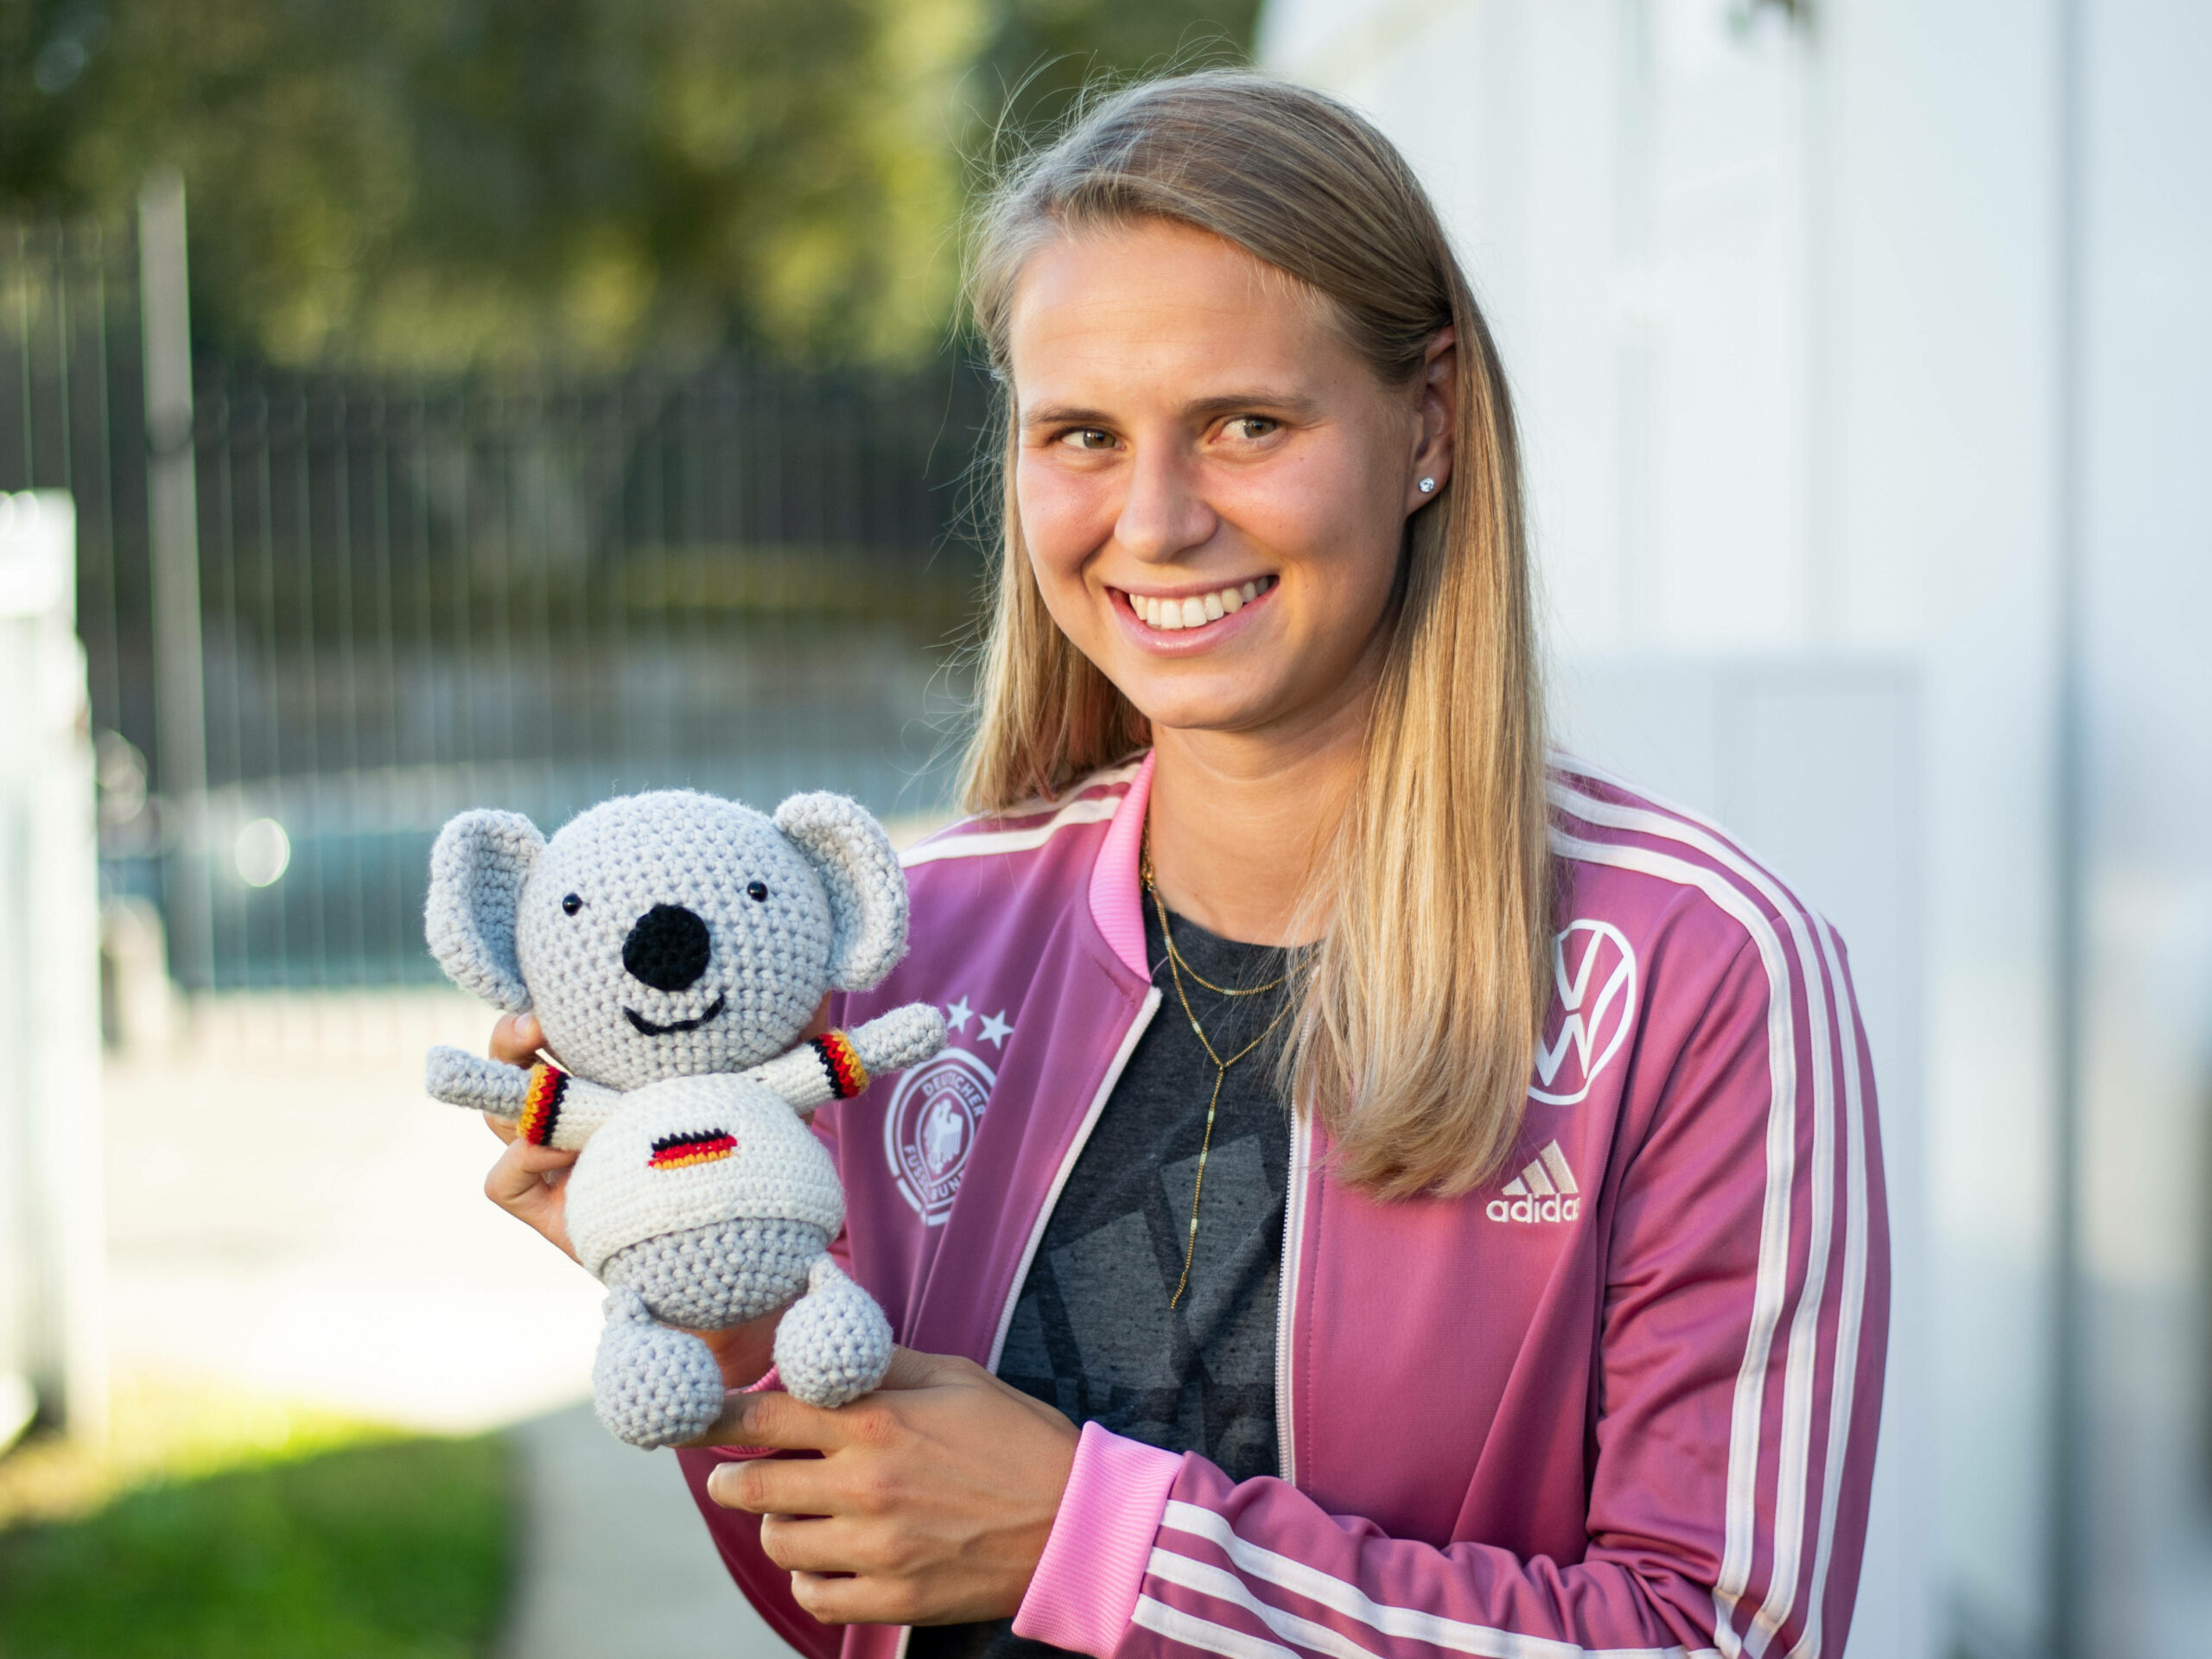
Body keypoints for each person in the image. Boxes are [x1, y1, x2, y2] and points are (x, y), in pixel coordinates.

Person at [480, 70, 1889, 1659]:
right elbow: (867, 1602)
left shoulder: (1700, 971)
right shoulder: (920, 942)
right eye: (1082, 434)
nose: (1151, 522)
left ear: (1425, 422)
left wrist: (1091, 1544)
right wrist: (716, 1283)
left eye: (1244, 424)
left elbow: (1716, 1635)